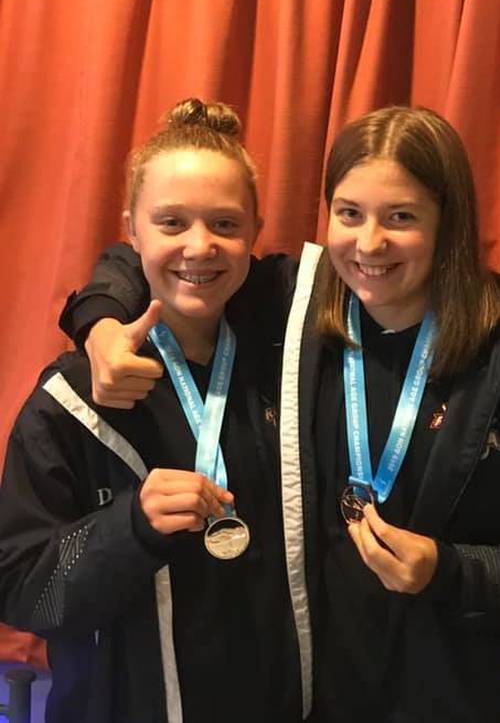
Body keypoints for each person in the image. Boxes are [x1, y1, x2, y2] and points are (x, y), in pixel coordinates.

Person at [58, 105, 500, 722]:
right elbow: (160, 253)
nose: (369, 242)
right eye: (349, 214)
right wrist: (101, 321)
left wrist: (453, 571)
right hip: (326, 697)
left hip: (468, 697)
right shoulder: (295, 315)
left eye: (400, 217)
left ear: (447, 225)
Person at [0, 100, 302, 722]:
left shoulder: (291, 365)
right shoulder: (71, 398)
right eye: (171, 223)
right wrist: (130, 528)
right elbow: (24, 589)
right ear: (131, 231)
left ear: (255, 233)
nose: (200, 246)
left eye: (225, 223)